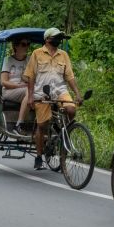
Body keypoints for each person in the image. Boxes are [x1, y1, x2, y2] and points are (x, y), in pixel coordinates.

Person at [18, 27, 83, 170]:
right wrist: (30, 96)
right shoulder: (37, 54)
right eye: (55, 37)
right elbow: (30, 76)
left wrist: (77, 93)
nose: (58, 40)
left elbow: (70, 77)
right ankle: (39, 156)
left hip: (60, 90)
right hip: (42, 93)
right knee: (42, 125)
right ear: (47, 39)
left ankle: (63, 133)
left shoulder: (64, 55)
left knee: (71, 109)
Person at [1, 37, 31, 105]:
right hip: (9, 90)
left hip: (26, 88)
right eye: (23, 44)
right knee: (30, 92)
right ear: (16, 46)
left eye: (28, 44)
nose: (26, 47)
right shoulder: (8, 60)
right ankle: (22, 116)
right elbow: (4, 82)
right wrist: (20, 85)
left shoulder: (30, 60)